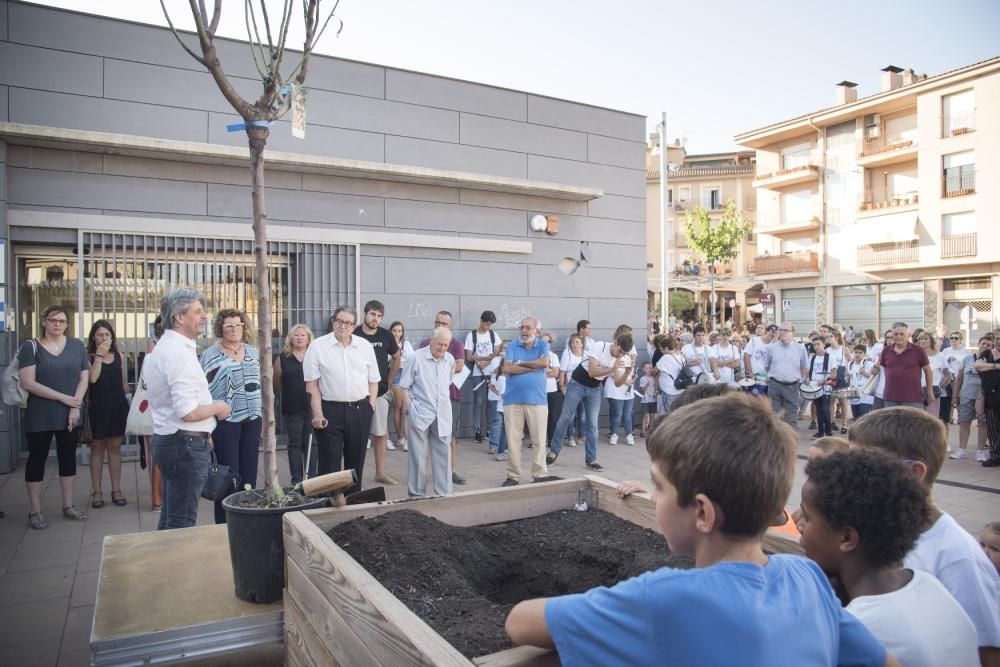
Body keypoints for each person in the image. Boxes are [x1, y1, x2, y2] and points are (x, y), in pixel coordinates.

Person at [507, 393, 891, 666]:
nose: (653, 498)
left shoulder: (664, 597)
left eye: (659, 487)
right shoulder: (805, 575)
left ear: (703, 513)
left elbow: (521, 622)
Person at [797, 449, 979, 667]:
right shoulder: (928, 583)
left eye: (807, 517)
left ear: (847, 538)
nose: (799, 525)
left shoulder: (854, 630)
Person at [848, 408, 1000, 663]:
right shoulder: (878, 528)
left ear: (914, 473)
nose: (848, 476)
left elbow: (988, 653)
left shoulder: (958, 558)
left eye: (862, 466)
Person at [145, 288, 231, 529]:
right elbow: (188, 412)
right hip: (184, 445)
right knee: (181, 522)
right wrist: (218, 407)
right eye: (198, 311)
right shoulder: (178, 354)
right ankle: (173, 556)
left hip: (176, 441)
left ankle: (163, 555)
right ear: (179, 317)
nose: (204, 316)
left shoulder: (169, 348)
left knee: (171, 516)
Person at [19, 305, 90, 529]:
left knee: (68, 458)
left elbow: (84, 378)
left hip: (69, 413)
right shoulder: (31, 347)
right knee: (37, 459)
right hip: (40, 415)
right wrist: (63, 398)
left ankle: (68, 505)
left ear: (67, 324)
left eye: (61, 321)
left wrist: (75, 406)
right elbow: (28, 383)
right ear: (44, 322)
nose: (57, 324)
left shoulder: (76, 346)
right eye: (52, 320)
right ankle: (35, 511)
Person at [304, 305, 379, 497]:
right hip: (330, 411)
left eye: (348, 323)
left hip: (360, 410)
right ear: (333, 322)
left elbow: (373, 380)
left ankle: (353, 505)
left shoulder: (364, 346)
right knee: (329, 465)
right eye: (339, 321)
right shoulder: (318, 346)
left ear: (354, 326)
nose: (343, 326)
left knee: (356, 464)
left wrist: (370, 406)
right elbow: (312, 385)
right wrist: (318, 414)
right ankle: (328, 505)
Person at [200, 309, 263, 524]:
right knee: (228, 476)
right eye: (229, 325)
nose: (234, 329)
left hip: (252, 420)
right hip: (225, 423)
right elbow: (203, 393)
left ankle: (247, 521)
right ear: (221, 328)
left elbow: (262, 386)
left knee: (249, 476)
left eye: (238, 325)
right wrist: (207, 430)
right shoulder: (210, 356)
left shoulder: (254, 353)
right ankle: (224, 524)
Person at [547, 333, 635, 472]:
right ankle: (553, 452)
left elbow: (618, 383)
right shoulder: (600, 346)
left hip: (594, 388)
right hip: (577, 383)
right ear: (615, 343)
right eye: (620, 351)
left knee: (593, 424)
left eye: (624, 353)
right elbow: (592, 372)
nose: (621, 355)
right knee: (565, 417)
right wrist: (612, 368)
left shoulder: (621, 358)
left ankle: (591, 460)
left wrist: (626, 373)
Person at [397, 327, 455, 498]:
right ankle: (416, 495)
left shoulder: (450, 360)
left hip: (443, 414)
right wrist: (411, 409)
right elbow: (404, 386)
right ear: (431, 341)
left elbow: (448, 382)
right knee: (418, 456)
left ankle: (444, 494)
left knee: (444, 454)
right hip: (420, 413)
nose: (442, 348)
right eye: (439, 344)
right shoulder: (415, 358)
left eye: (446, 345)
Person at [418, 311, 468, 484]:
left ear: (450, 326)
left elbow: (459, 366)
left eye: (444, 323)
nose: (440, 325)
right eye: (438, 322)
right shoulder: (425, 343)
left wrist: (436, 366)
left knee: (449, 435)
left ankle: (451, 470)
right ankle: (423, 472)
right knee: (424, 436)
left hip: (450, 396)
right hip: (427, 397)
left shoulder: (457, 344)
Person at [354, 300, 401, 485]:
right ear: (365, 313)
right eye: (373, 314)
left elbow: (396, 357)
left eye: (379, 316)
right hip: (357, 394)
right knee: (356, 436)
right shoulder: (355, 333)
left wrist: (389, 380)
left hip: (380, 393)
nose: (376, 319)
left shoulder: (386, 335)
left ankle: (380, 473)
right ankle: (353, 476)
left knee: (380, 434)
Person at [86, 320, 131, 509]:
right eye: (100, 335)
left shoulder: (119, 356)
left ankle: (116, 490)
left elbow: (124, 383)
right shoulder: (89, 357)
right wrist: (99, 356)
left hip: (117, 406)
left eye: (107, 334)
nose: (104, 338)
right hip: (97, 408)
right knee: (97, 449)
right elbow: (92, 378)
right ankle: (97, 492)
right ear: (93, 338)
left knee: (115, 448)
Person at [501, 317, 550, 486]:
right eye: (521, 327)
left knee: (539, 440)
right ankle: (513, 476)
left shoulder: (543, 345)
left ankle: (539, 474)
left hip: (538, 400)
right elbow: (508, 368)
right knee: (513, 440)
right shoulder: (512, 345)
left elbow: (544, 362)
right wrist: (532, 366)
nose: (524, 331)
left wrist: (520, 363)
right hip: (512, 400)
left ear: (536, 330)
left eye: (528, 327)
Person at [273, 324, 316, 486]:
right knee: (295, 444)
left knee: (311, 443)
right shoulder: (282, 357)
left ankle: (312, 479)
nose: (299, 338)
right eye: (296, 335)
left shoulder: (314, 356)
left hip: (312, 407)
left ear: (308, 339)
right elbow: (277, 381)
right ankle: (297, 481)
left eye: (303, 335)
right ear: (290, 339)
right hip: (292, 408)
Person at [951, 335, 992, 462]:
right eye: (983, 343)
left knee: (983, 424)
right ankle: (962, 450)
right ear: (978, 344)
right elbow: (959, 378)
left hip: (984, 397)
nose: (985, 346)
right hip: (966, 395)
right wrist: (955, 396)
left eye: (988, 345)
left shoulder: (992, 361)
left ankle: (980, 451)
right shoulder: (967, 359)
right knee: (964, 422)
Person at [465, 310, 501, 443]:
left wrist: (486, 360)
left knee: (491, 401)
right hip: (478, 373)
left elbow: (497, 351)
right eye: (487, 324)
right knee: (479, 401)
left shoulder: (493, 334)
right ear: (481, 321)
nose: (488, 327)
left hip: (491, 372)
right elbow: (469, 356)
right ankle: (477, 430)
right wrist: (487, 358)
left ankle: (490, 430)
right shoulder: (472, 335)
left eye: (490, 325)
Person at [764, 322, 809, 427]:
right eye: (780, 330)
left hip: (792, 386)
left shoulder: (800, 348)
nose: (782, 332)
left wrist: (797, 379)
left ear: (793, 333)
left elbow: (805, 367)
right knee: (774, 415)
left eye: (786, 330)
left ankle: (791, 437)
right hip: (775, 385)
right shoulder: (771, 348)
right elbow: (767, 366)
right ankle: (775, 437)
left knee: (791, 417)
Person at [880, 322, 933, 409]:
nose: (899, 336)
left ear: (908, 335)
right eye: (896, 334)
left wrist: (930, 392)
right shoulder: (886, 351)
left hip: (913, 398)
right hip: (890, 398)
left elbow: (928, 371)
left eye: (902, 334)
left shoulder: (918, 351)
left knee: (912, 419)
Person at [141, 316, 165, 511]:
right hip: (157, 413)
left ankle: (162, 496)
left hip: (170, 413)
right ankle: (157, 498)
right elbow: (148, 385)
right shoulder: (152, 356)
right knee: (156, 455)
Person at [605, 335, 636, 446]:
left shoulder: (628, 358)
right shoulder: (613, 358)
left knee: (627, 414)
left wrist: (633, 378)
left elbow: (630, 372)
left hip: (628, 391)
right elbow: (613, 373)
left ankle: (629, 435)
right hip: (616, 391)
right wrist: (626, 381)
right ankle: (614, 434)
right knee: (617, 415)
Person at [389, 321, 414, 452]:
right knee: (398, 408)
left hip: (406, 375)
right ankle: (400, 437)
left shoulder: (407, 344)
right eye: (394, 330)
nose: (397, 333)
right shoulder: (388, 343)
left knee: (406, 409)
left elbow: (412, 359)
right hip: (395, 375)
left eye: (399, 331)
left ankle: (407, 439)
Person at [916, 332, 951, 424]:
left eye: (925, 339)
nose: (922, 341)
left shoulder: (940, 356)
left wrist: (941, 386)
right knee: (918, 419)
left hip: (933, 390)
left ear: (931, 341)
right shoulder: (915, 355)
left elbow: (948, 375)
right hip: (917, 390)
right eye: (921, 339)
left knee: (931, 420)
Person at [558, 333, 585, 447]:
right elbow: (562, 373)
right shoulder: (567, 354)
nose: (574, 344)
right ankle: (570, 437)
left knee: (582, 414)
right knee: (571, 415)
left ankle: (582, 435)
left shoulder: (586, 355)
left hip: (584, 388)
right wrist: (562, 388)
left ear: (582, 344)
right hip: (571, 389)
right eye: (572, 342)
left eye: (577, 342)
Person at [975, 347, 1000, 467]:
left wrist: (988, 366)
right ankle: (995, 455)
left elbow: (983, 367)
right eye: (997, 338)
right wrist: (996, 366)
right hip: (990, 396)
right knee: (993, 428)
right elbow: (978, 366)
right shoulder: (987, 353)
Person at [807, 335, 834, 438]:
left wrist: (825, 380)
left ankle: (828, 431)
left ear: (824, 344)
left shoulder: (830, 357)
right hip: (814, 387)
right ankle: (820, 431)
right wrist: (806, 379)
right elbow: (808, 371)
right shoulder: (812, 358)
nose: (816, 347)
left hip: (825, 387)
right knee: (818, 409)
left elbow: (834, 373)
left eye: (818, 344)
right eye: (814, 345)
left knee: (825, 409)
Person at [540, 332, 563, 449]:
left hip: (551, 390)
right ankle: (538, 440)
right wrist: (548, 372)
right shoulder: (535, 356)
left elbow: (555, 373)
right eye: (543, 341)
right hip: (538, 390)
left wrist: (542, 373)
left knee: (552, 416)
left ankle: (551, 439)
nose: (546, 344)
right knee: (538, 417)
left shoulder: (553, 356)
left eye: (548, 342)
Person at [486, 342, 508, 460]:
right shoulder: (496, 362)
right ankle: (496, 447)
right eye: (504, 348)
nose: (505, 350)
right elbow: (500, 392)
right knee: (498, 423)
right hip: (500, 404)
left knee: (506, 427)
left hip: (504, 405)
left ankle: (503, 448)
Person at [654, 335, 685, 415]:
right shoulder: (681, 356)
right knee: (678, 412)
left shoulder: (665, 357)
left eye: (661, 349)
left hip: (669, 389)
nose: (661, 351)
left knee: (670, 413)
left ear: (666, 348)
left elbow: (654, 371)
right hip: (680, 388)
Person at [847, 345, 875, 421]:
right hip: (854, 394)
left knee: (864, 416)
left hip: (865, 395)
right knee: (856, 417)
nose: (857, 354)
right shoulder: (850, 364)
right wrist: (847, 377)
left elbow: (873, 378)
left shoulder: (869, 364)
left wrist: (864, 373)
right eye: (856, 352)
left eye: (860, 353)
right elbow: (848, 378)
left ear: (864, 354)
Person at [637, 362, 657, 437]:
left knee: (652, 416)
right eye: (647, 368)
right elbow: (642, 390)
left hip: (653, 400)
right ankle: (643, 431)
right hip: (645, 400)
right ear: (643, 370)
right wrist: (647, 385)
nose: (650, 370)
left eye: (651, 368)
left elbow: (656, 387)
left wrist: (656, 393)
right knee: (645, 415)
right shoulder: (643, 378)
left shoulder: (654, 378)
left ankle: (651, 431)